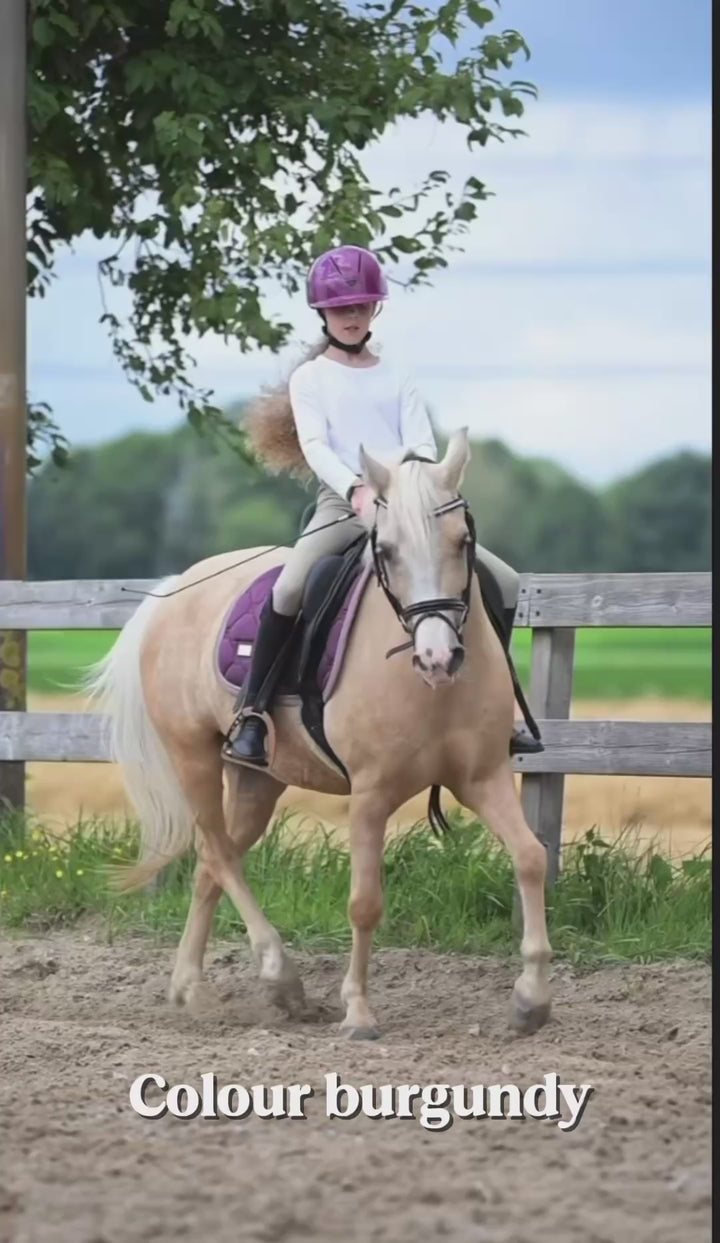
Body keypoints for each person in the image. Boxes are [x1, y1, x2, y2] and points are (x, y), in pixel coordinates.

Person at [226, 244, 543, 766]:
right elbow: (316, 447)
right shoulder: (310, 379)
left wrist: (410, 491)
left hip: (407, 502)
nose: (350, 316)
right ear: (322, 314)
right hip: (342, 500)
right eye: (339, 308)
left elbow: (419, 443)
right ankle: (253, 714)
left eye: (360, 306)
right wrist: (356, 489)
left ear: (375, 308)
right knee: (289, 585)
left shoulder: (397, 374)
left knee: (504, 583)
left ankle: (495, 706)